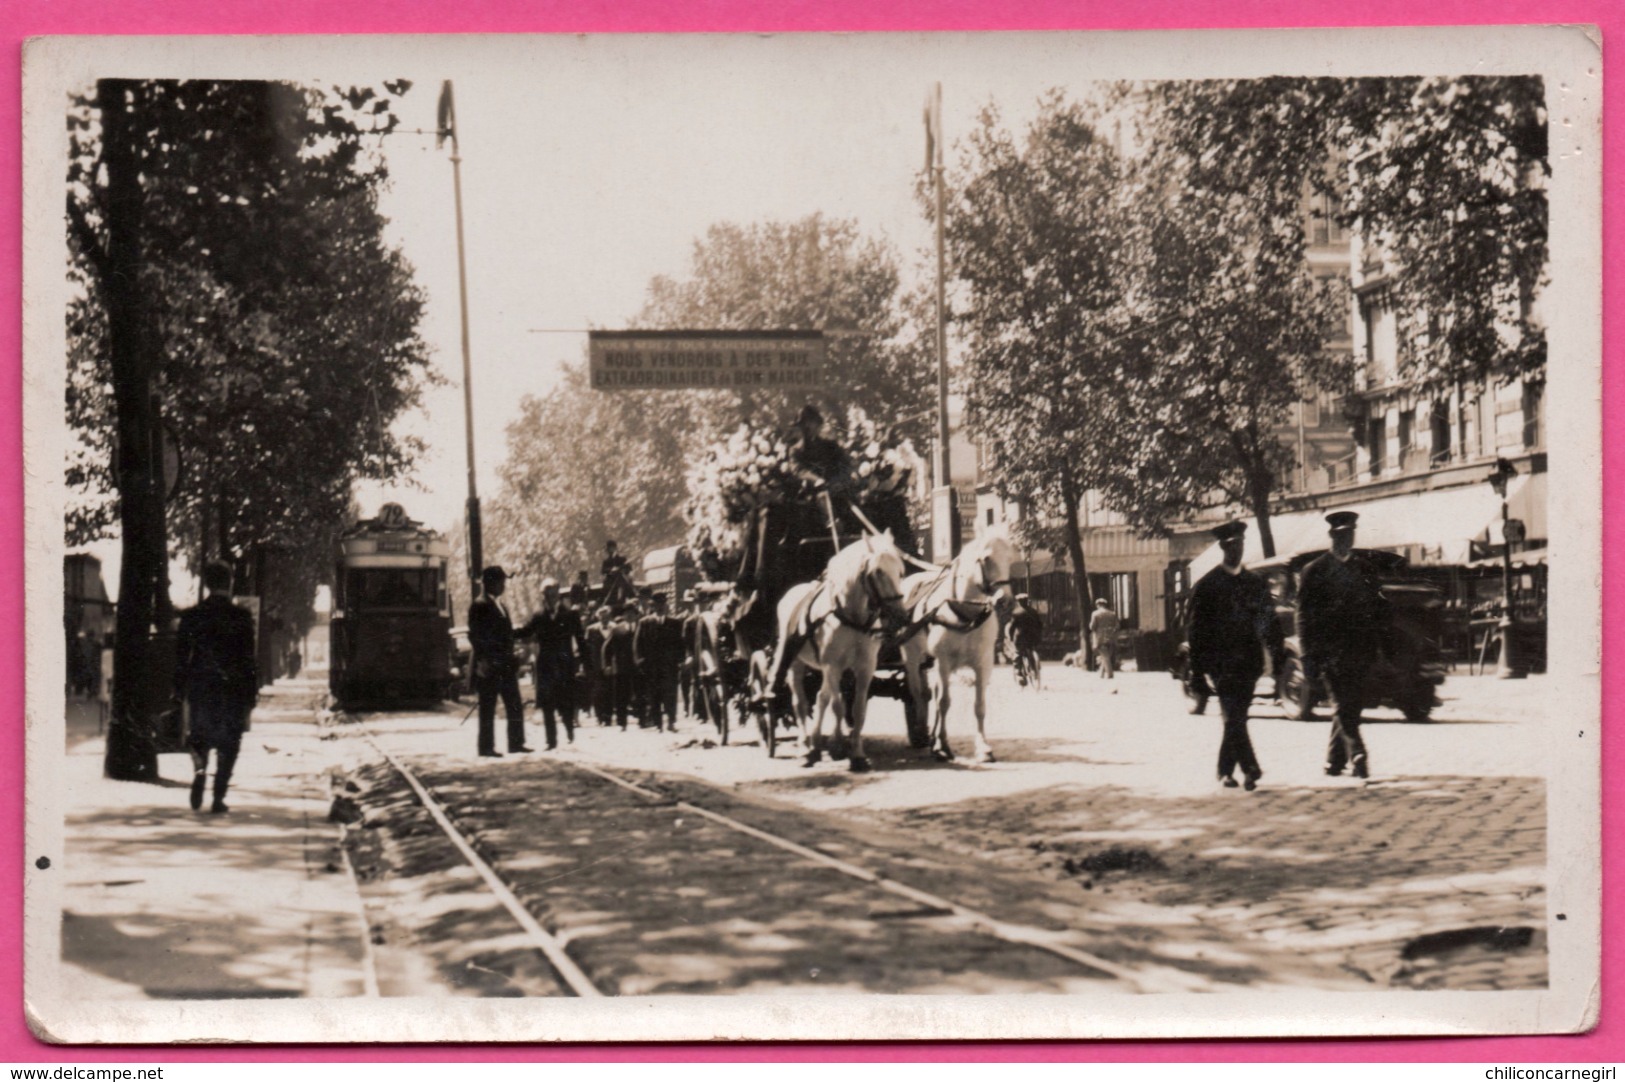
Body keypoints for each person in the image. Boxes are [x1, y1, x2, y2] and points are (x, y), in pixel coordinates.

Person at [1188, 521, 1283, 791]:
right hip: (1221, 664)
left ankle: (1224, 771)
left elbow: (1269, 622)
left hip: (1249, 663)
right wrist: (1197, 671)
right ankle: (1251, 768)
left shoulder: (1254, 583)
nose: (1236, 550)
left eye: (1240, 544)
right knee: (1233, 716)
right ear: (1222, 547)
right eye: (1231, 546)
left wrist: (1276, 657)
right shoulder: (1207, 585)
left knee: (1237, 716)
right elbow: (1195, 631)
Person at [1297, 511, 1392, 780]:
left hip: (1361, 649)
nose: (1345, 540)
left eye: (1349, 534)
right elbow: (1303, 615)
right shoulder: (1314, 571)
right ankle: (1358, 754)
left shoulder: (1365, 569)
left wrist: (1381, 644)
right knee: (1342, 704)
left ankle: (1333, 761)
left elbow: (1378, 608)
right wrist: (1307, 655)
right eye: (1340, 535)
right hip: (1330, 652)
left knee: (1352, 705)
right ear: (1331, 536)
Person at [174, 561, 258, 813]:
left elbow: (181, 657)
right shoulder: (241, 617)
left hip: (201, 687)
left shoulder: (191, 616)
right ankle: (218, 796)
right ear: (229, 582)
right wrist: (251, 694)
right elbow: (248, 660)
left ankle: (200, 771)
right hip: (232, 689)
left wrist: (179, 689)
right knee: (230, 742)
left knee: (199, 735)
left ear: (207, 584)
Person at [468, 565, 531, 757]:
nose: (503, 584)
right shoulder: (479, 605)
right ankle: (486, 747)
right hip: (490, 664)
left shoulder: (500, 605)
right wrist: (484, 659)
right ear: (490, 583)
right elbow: (476, 636)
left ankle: (516, 743)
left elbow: (506, 634)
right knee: (488, 705)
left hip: (505, 663)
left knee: (514, 703)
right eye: (501, 581)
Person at [517, 578, 582, 750]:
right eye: (547, 595)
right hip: (545, 666)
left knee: (566, 702)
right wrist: (505, 632)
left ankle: (569, 727)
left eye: (553, 595)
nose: (551, 598)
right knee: (547, 704)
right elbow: (526, 631)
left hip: (565, 665)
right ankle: (551, 741)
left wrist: (586, 664)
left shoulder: (570, 615)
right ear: (543, 597)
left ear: (558, 595)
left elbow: (581, 641)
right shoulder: (538, 616)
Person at [636, 594, 687, 732]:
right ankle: (658, 723)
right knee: (654, 694)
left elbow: (680, 644)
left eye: (662, 605)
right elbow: (638, 643)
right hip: (651, 666)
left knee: (670, 693)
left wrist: (681, 660)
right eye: (656, 606)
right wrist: (640, 661)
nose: (659, 608)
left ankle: (671, 720)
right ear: (652, 607)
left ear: (665, 606)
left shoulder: (675, 623)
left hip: (669, 665)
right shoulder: (644, 623)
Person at [601, 604, 639, 730]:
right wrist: (606, 665)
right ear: (623, 615)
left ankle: (643, 720)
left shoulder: (641, 627)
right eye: (626, 613)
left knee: (641, 692)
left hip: (639, 667)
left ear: (636, 615)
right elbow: (607, 648)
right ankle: (622, 722)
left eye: (632, 613)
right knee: (621, 696)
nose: (629, 615)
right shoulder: (617, 630)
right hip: (622, 668)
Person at [583, 605, 613, 726]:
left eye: (606, 617)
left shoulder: (615, 628)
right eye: (602, 617)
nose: (604, 619)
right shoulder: (591, 630)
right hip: (595, 665)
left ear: (610, 617)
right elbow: (586, 649)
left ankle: (608, 716)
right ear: (598, 617)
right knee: (598, 691)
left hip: (611, 665)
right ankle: (600, 716)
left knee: (610, 690)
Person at [1006, 594, 1044, 687]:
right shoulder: (1034, 611)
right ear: (1027, 601)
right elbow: (1040, 624)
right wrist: (1039, 635)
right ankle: (1034, 668)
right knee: (1030, 650)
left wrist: (1011, 637)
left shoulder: (1017, 612)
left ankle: (1019, 674)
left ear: (1019, 602)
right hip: (1033, 637)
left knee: (1018, 653)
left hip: (1021, 638)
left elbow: (1012, 627)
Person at [1089, 598, 1121, 678]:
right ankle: (1101, 674)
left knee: (1105, 656)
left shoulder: (1095, 614)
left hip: (1100, 638)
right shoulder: (1112, 614)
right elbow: (1118, 626)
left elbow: (1092, 627)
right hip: (1111, 638)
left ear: (1098, 605)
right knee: (1106, 656)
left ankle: (1110, 674)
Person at [601, 540, 635, 610]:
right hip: (610, 583)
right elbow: (603, 571)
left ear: (615, 548)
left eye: (612, 548)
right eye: (608, 549)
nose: (610, 550)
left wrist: (622, 570)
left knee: (625, 583)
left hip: (621, 580)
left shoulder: (622, 559)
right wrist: (611, 570)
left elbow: (629, 569)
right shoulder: (606, 561)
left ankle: (627, 598)